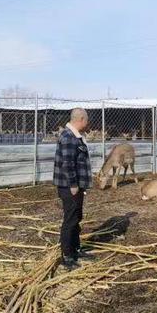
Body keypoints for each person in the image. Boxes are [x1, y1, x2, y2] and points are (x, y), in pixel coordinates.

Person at [53, 108, 94, 270]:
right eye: (87, 120)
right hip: (69, 187)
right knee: (70, 220)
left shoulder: (74, 136)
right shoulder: (69, 137)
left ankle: (76, 249)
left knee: (76, 217)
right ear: (81, 119)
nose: (87, 123)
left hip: (75, 186)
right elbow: (67, 163)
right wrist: (73, 185)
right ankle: (67, 256)